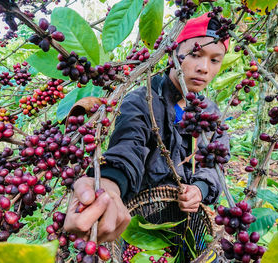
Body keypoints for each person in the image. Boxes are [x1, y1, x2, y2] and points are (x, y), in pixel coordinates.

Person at [64, 13, 230, 244]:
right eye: (195, 54)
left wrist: (200, 189)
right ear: (173, 53)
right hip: (138, 217)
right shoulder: (142, 101)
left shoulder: (210, 112)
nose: (203, 67)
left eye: (215, 60)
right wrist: (110, 185)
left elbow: (215, 162)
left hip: (188, 220)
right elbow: (127, 147)